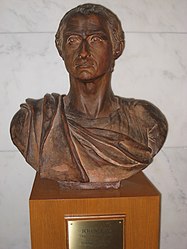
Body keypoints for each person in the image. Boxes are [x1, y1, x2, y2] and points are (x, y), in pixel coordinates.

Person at [10, 3, 168, 189]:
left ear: (117, 47)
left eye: (95, 40)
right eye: (73, 41)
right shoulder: (33, 122)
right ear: (60, 50)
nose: (83, 53)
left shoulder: (146, 121)